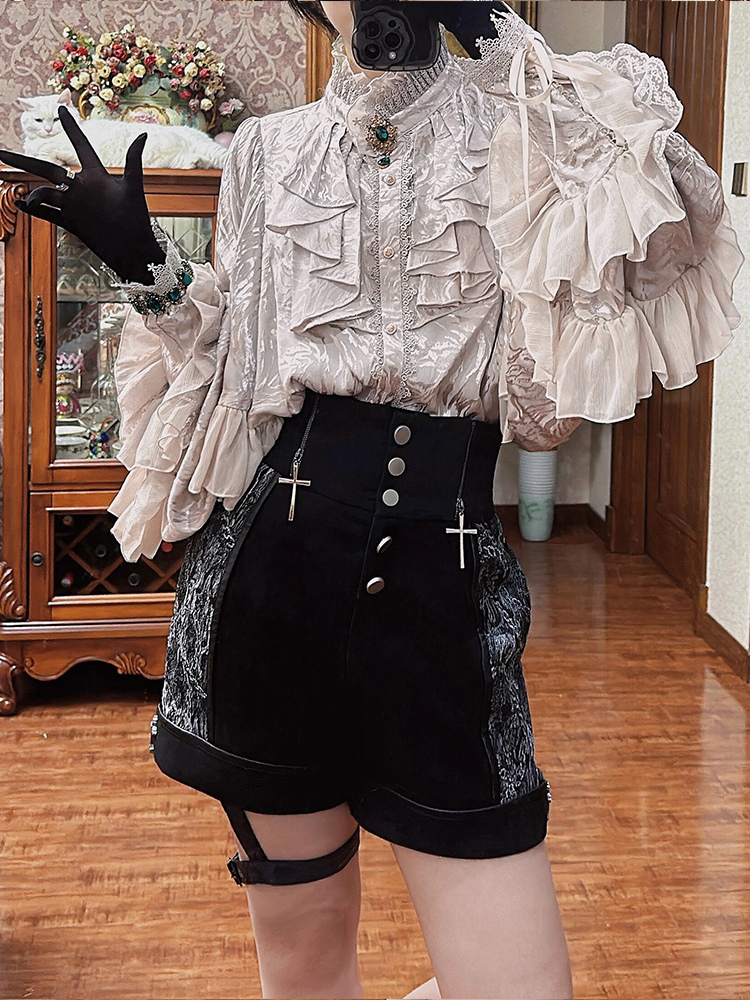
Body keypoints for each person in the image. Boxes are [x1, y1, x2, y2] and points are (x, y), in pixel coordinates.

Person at [1, 2, 742, 997]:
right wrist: (145, 265)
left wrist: (496, 30)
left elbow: (637, 266)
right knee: (305, 966)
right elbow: (236, 377)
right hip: (270, 595)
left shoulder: (530, 127)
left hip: (445, 604)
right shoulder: (268, 150)